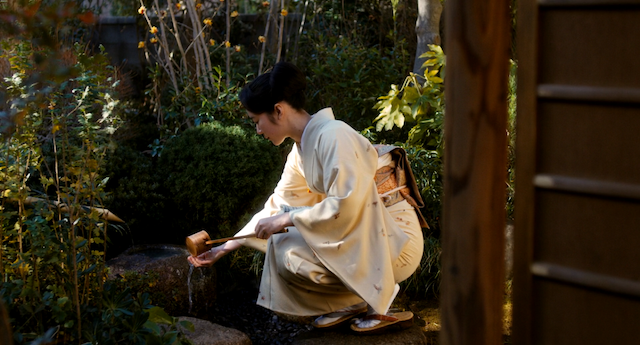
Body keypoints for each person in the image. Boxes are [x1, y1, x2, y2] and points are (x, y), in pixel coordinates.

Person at [188, 62, 426, 333]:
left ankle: (377, 304)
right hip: (369, 236)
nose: (258, 130)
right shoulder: (300, 150)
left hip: (394, 240)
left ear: (278, 110)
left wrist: (287, 218)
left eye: (257, 121)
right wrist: (223, 248)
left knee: (286, 241)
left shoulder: (334, 135)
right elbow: (276, 205)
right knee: (284, 250)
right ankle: (354, 302)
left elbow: (347, 204)